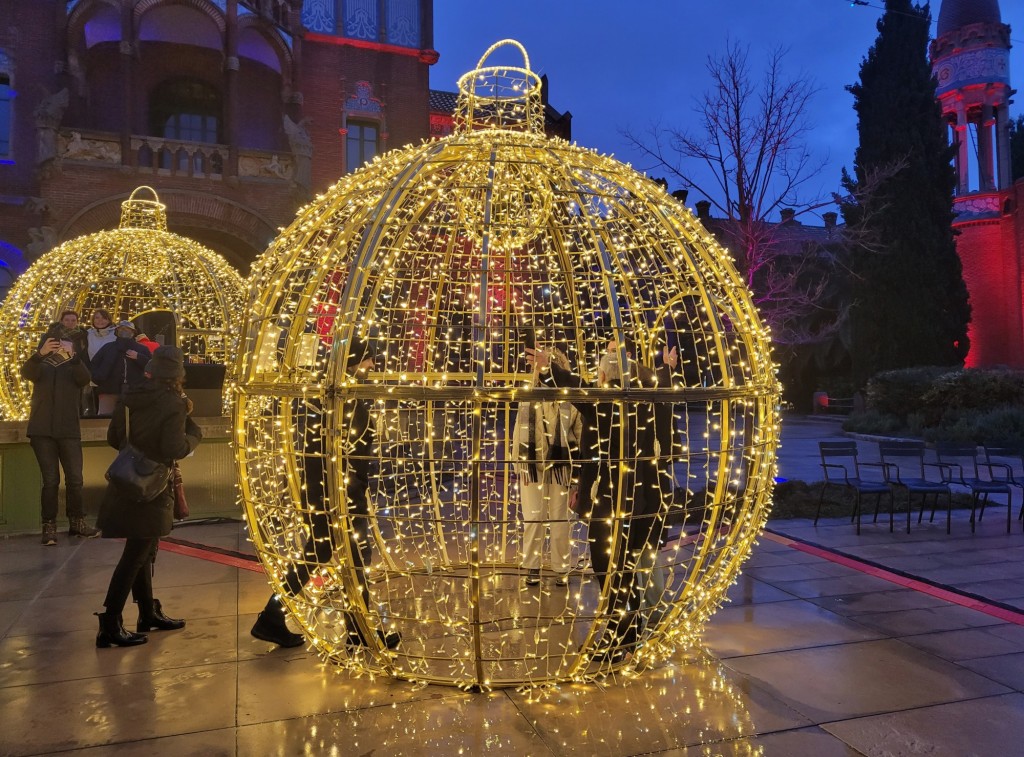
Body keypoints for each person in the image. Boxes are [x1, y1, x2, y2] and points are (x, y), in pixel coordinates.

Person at [251, 337, 401, 651]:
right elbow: (344, 456)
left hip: (325, 494)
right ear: (353, 361)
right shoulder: (344, 402)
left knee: (320, 554)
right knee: (355, 559)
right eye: (368, 359)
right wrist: (349, 497)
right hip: (339, 496)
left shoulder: (327, 397)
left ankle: (274, 617)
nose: (372, 365)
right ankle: (358, 632)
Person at [532, 338, 678, 662]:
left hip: (613, 501)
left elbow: (573, 387)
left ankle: (616, 638)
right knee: (624, 571)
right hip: (642, 500)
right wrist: (666, 370)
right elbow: (663, 398)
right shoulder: (646, 399)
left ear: (604, 374)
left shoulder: (606, 402)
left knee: (610, 572)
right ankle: (629, 634)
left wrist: (547, 369)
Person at [94, 346, 202, 648]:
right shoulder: (173, 403)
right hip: (153, 486)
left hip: (127, 481)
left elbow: (114, 438)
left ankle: (147, 613)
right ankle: (110, 622)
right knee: (136, 555)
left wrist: (138, 448)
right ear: (178, 374)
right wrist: (195, 435)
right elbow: (174, 448)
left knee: (142, 550)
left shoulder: (129, 397)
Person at [21, 325, 97, 545]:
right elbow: (27, 373)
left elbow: (84, 379)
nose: (58, 345)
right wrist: (40, 354)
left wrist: (74, 357)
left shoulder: (72, 364)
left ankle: (77, 523)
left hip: (68, 430)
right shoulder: (40, 364)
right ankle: (49, 526)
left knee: (75, 479)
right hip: (42, 430)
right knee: (51, 480)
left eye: (63, 341)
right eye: (53, 341)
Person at [513, 343, 581, 587]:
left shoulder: (571, 399)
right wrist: (520, 465)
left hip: (561, 467)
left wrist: (577, 478)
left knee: (560, 520)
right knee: (533, 518)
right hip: (531, 466)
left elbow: (579, 435)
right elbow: (518, 432)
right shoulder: (529, 394)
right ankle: (532, 565)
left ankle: (561, 567)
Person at [91, 320, 152, 416]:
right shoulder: (108, 348)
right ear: (117, 331)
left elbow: (151, 367)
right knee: (105, 420)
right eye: (121, 329)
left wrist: (139, 357)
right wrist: (100, 380)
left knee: (134, 418)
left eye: (127, 329)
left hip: (135, 392)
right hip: (108, 391)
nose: (124, 331)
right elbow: (93, 365)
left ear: (133, 332)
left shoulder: (141, 349)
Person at [85, 309, 117, 416]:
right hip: (93, 375)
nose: (100, 321)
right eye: (97, 318)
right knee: (95, 406)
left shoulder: (116, 334)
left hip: (111, 375)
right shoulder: (88, 334)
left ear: (109, 320)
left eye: (104, 318)